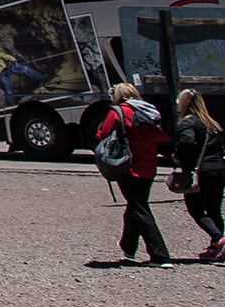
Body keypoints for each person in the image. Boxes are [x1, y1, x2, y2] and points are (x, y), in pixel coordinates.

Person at [94, 82, 173, 266]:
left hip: (128, 165)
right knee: (135, 205)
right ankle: (128, 247)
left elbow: (102, 134)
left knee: (139, 207)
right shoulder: (149, 110)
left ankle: (160, 255)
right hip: (149, 164)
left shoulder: (119, 111)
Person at [172, 88, 225, 261]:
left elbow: (187, 141)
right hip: (219, 169)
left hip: (200, 171)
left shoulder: (187, 123)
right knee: (213, 209)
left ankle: (219, 239)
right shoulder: (211, 123)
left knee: (196, 209)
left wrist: (178, 156)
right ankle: (215, 248)